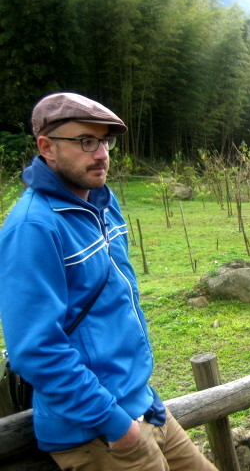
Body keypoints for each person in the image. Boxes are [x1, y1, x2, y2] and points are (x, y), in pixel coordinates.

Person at [0, 93, 219, 471]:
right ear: (46, 147)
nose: (101, 154)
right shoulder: (34, 226)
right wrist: (117, 425)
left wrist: (141, 398)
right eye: (86, 141)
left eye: (105, 142)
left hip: (145, 405)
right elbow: (36, 348)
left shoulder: (102, 202)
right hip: (100, 433)